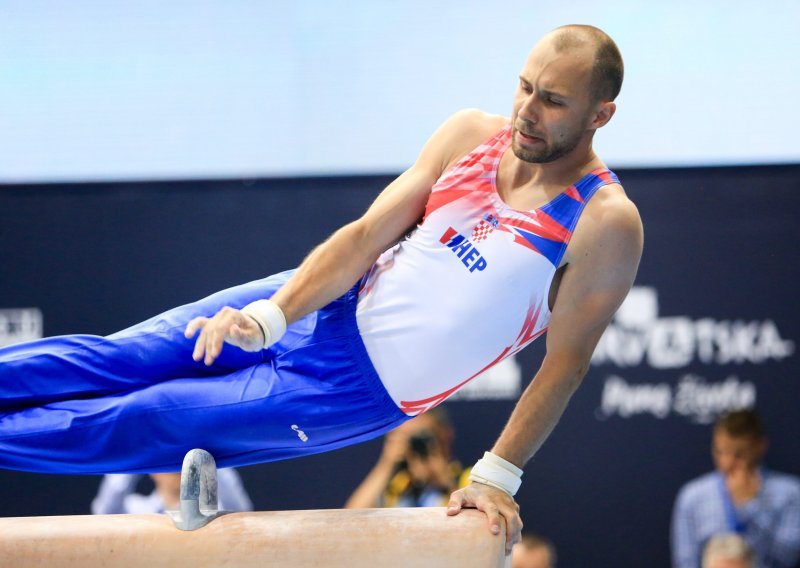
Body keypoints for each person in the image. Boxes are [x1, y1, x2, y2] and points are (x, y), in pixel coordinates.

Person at [0, 24, 641, 552]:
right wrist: (270, 317)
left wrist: (497, 475)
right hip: (314, 302)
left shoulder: (603, 221)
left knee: (135, 423)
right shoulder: (472, 135)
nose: (527, 111)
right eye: (524, 87)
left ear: (600, 114)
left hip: (348, 391)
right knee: (117, 358)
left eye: (553, 100)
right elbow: (365, 236)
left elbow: (566, 364)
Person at [672, 410, 800, 568]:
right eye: (720, 452)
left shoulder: (790, 494)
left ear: (760, 446)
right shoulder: (692, 496)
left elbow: (785, 559)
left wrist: (748, 506)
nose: (728, 462)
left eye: (739, 454)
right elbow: (685, 562)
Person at [345, 407, 469, 508]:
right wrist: (386, 463)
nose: (415, 445)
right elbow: (353, 520)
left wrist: (445, 481)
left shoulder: (468, 479)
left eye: (422, 436)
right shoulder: (398, 485)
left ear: (444, 435)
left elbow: (474, 524)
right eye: (407, 438)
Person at [91, 469, 253, 514]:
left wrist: (208, 458)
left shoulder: (212, 511)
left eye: (183, 464)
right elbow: (105, 512)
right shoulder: (136, 509)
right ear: (154, 472)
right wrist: (136, 458)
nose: (179, 470)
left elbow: (241, 512)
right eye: (171, 466)